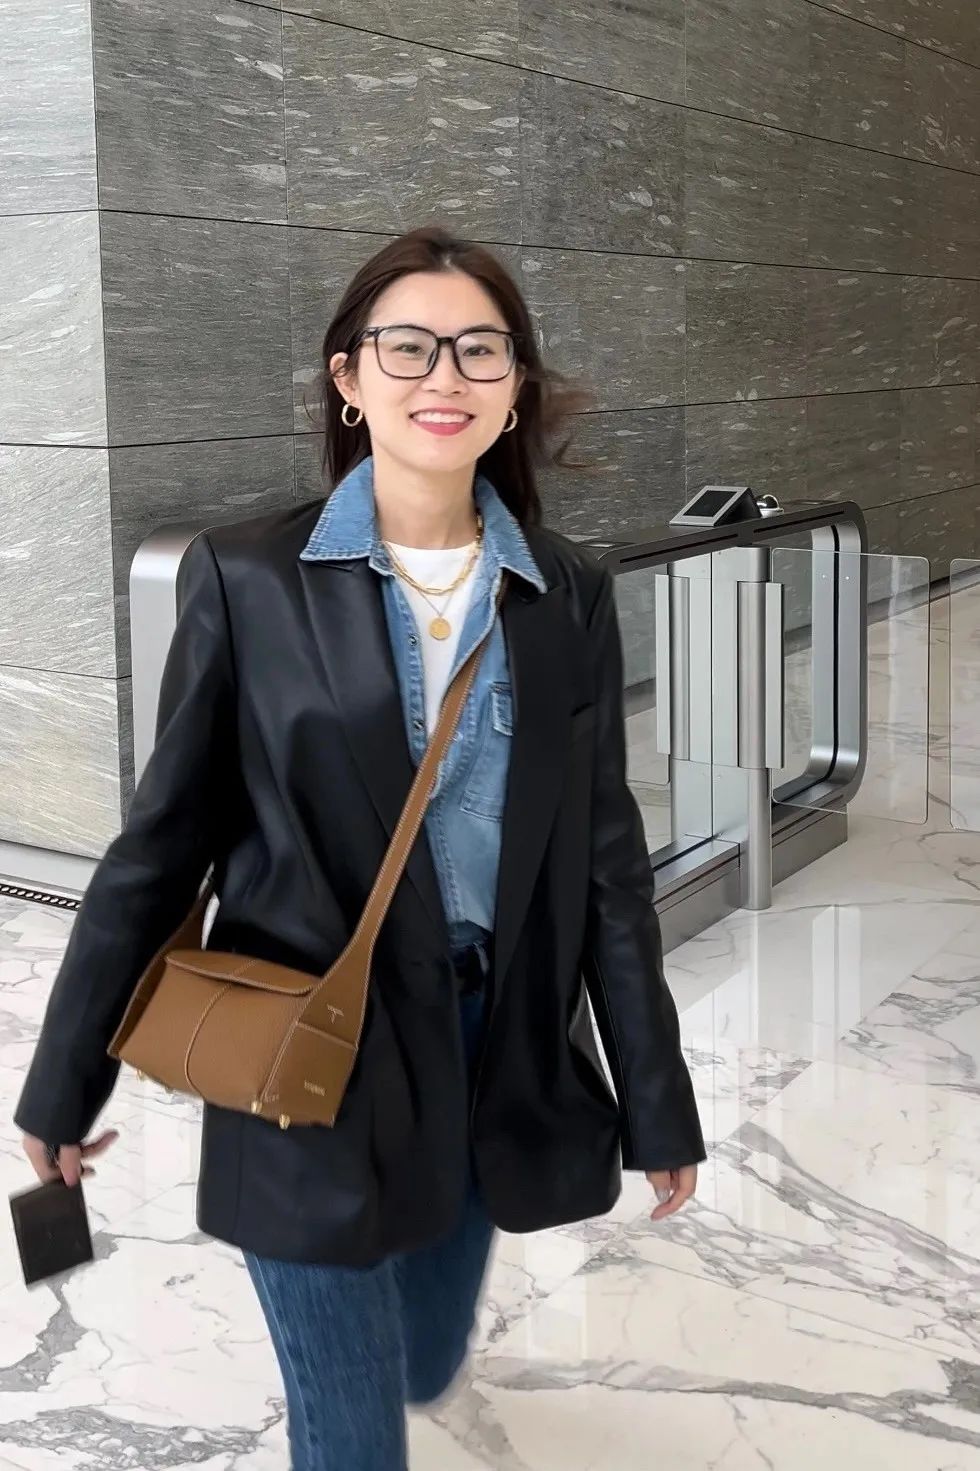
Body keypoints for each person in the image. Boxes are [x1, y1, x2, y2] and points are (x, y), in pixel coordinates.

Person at [15, 225, 706, 1469]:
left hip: (490, 1043)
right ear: (348, 377)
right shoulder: (248, 579)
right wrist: (64, 1081)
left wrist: (655, 1100)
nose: (443, 376)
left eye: (479, 350)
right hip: (308, 1045)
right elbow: (159, 848)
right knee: (351, 1432)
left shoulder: (564, 595)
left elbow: (607, 865)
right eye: (407, 347)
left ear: (514, 388)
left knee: (426, 1356)